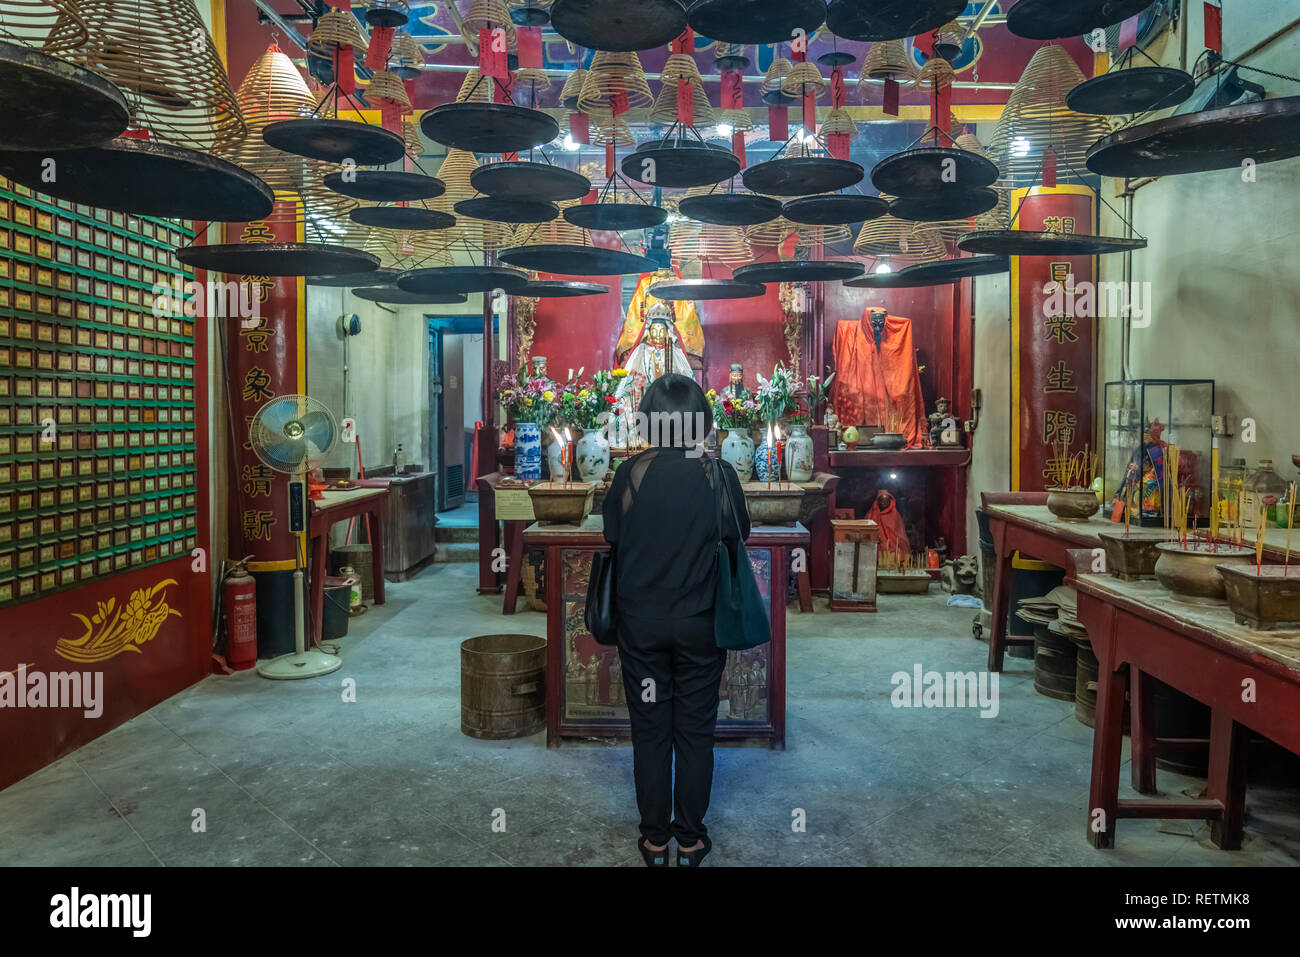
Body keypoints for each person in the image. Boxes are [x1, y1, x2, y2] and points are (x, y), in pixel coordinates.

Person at [601, 373, 750, 867]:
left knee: (649, 727)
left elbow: (614, 536)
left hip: (641, 626)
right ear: (701, 423)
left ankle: (652, 838)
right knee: (693, 727)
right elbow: (739, 534)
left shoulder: (630, 475)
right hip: (700, 625)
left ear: (647, 419)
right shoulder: (719, 474)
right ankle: (690, 837)